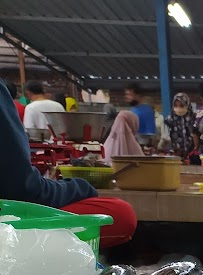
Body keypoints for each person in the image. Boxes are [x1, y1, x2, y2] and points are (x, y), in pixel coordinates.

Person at [0, 83, 136, 249]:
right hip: (7, 222)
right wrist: (82, 187)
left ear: (28, 93)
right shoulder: (54, 105)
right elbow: (22, 189)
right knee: (120, 212)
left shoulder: (30, 107)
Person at [163, 93, 195, 160]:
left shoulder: (193, 118)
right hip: (175, 155)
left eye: (181, 105)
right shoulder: (169, 120)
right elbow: (166, 138)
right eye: (176, 106)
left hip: (192, 155)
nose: (178, 108)